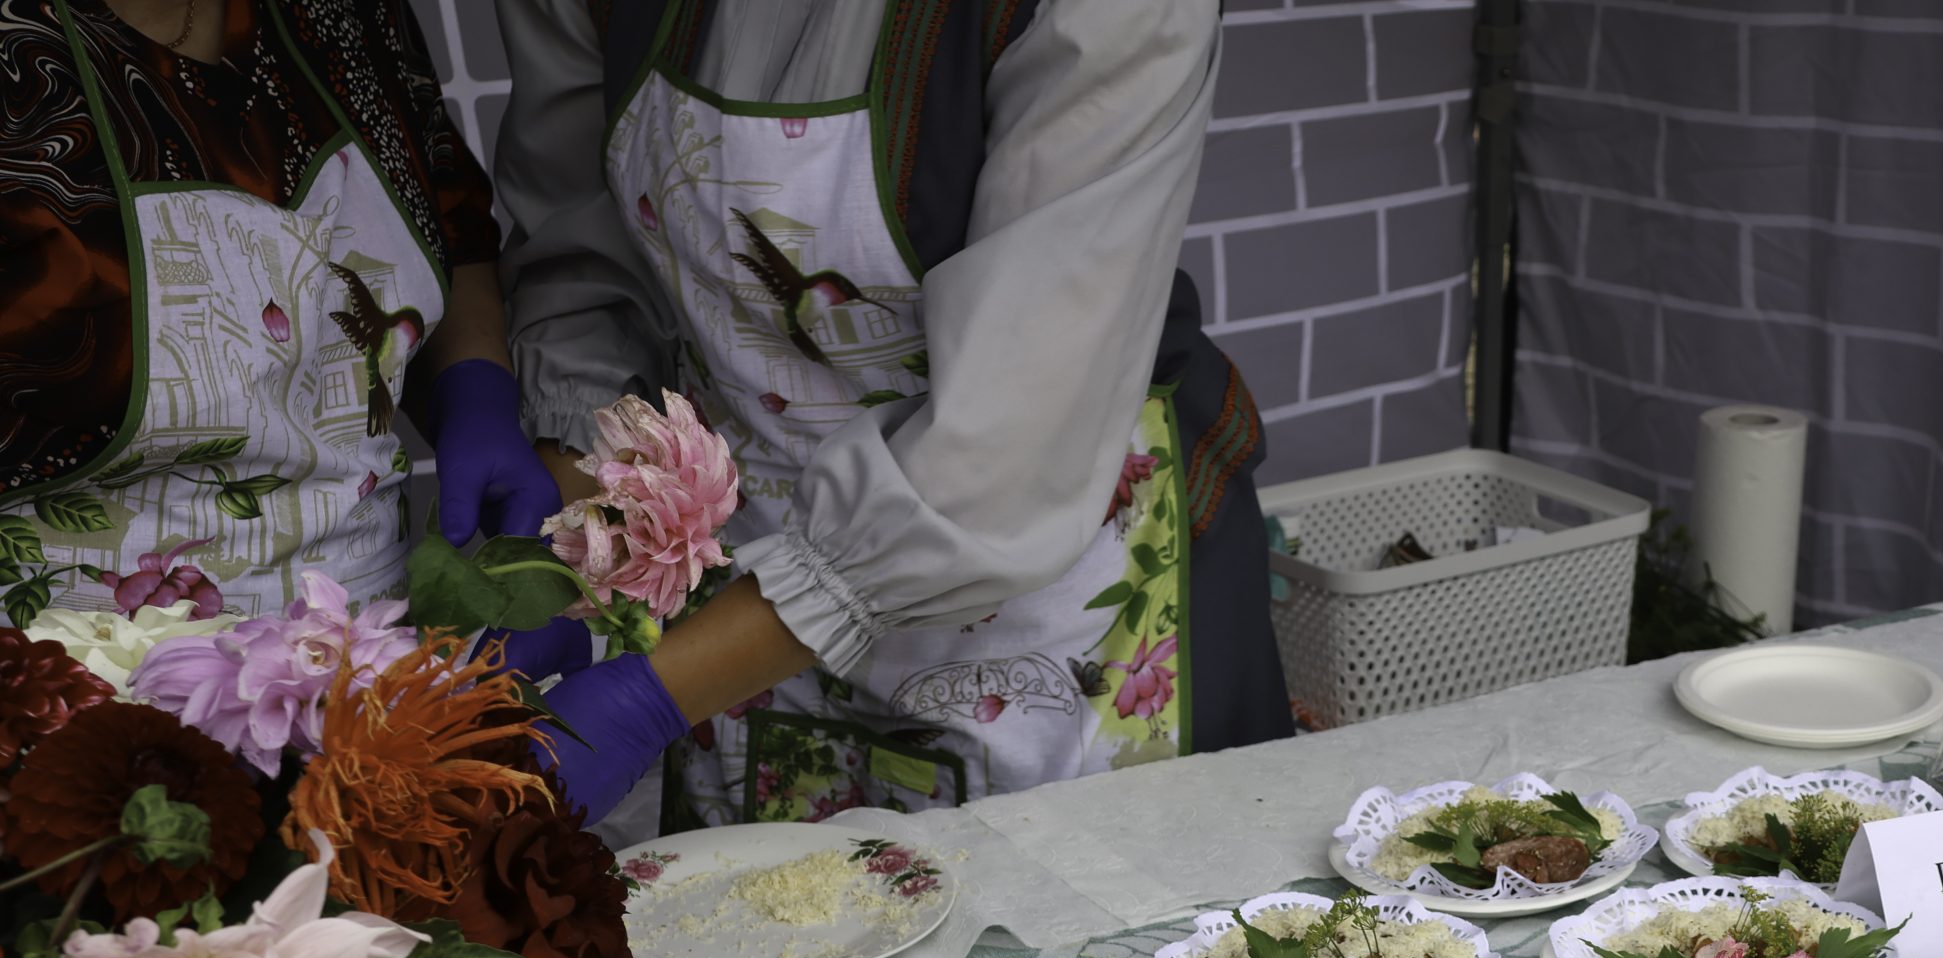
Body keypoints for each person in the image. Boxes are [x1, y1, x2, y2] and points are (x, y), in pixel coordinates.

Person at [493, 0, 1292, 838]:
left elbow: (1011, 430)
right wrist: (581, 556)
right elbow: (582, 263)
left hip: (1055, 589)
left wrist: (651, 699)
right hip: (745, 610)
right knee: (775, 907)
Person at [0, 0, 558, 630]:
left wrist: (473, 387)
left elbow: (453, 223)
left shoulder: (343, 14)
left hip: (374, 654)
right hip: (62, 665)